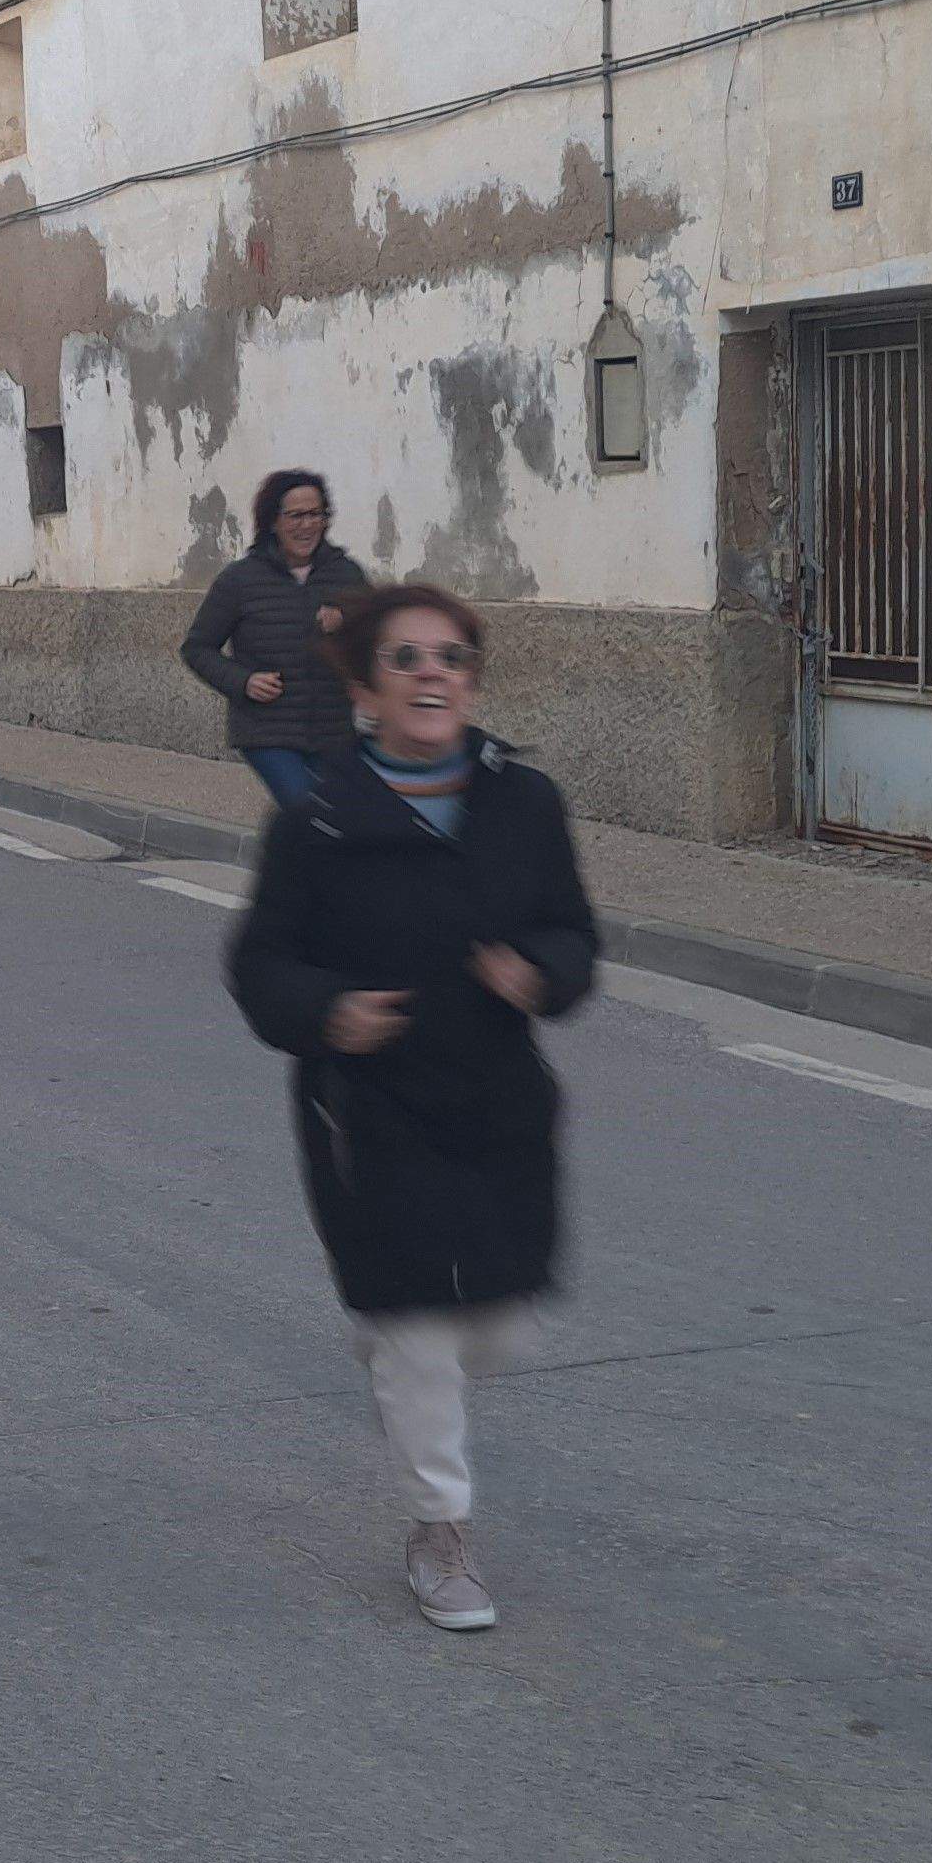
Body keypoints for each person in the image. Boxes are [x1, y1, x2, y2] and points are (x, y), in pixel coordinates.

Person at [225, 583, 600, 1635]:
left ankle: (394, 1346)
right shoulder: (317, 821)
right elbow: (258, 964)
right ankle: (441, 1532)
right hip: (368, 1111)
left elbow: (575, 933)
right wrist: (326, 1011)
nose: (433, 672)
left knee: (498, 1327)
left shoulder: (526, 803)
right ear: (368, 687)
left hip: (498, 1103)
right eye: (407, 658)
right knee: (422, 1334)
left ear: (473, 681)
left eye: (451, 657)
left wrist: (541, 974)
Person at [182, 469, 371, 808]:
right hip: (267, 731)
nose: (306, 525)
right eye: (295, 516)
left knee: (338, 819)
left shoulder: (347, 575)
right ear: (272, 522)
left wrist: (351, 620)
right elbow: (197, 648)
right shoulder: (240, 580)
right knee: (307, 808)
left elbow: (379, 638)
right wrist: (243, 681)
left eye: (315, 514)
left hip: (334, 731)